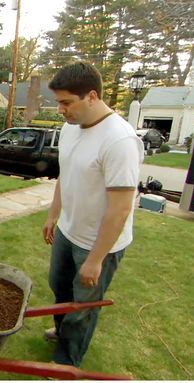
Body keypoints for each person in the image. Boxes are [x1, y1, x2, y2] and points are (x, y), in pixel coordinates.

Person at [41, 61, 144, 367]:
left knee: (84, 306)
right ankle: (61, 332)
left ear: (92, 96)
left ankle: (67, 362)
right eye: (59, 103)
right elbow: (66, 174)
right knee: (59, 288)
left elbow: (121, 207)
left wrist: (96, 259)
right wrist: (53, 215)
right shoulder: (70, 128)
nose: (61, 110)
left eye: (66, 102)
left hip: (98, 243)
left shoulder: (120, 140)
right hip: (68, 231)